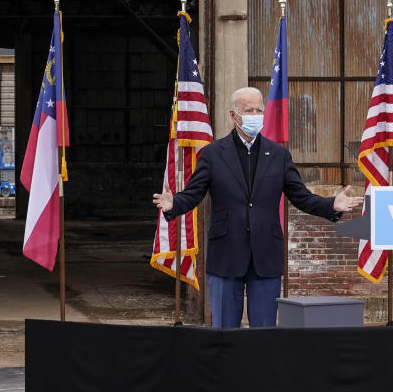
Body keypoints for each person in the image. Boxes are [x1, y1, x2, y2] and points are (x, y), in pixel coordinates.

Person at [153, 87, 364, 328]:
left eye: (258, 110)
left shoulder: (279, 155)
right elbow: (194, 194)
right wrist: (174, 204)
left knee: (263, 333)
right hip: (226, 254)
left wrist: (331, 205)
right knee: (224, 332)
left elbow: (301, 197)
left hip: (266, 253)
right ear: (234, 116)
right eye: (248, 110)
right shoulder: (212, 154)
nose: (255, 115)